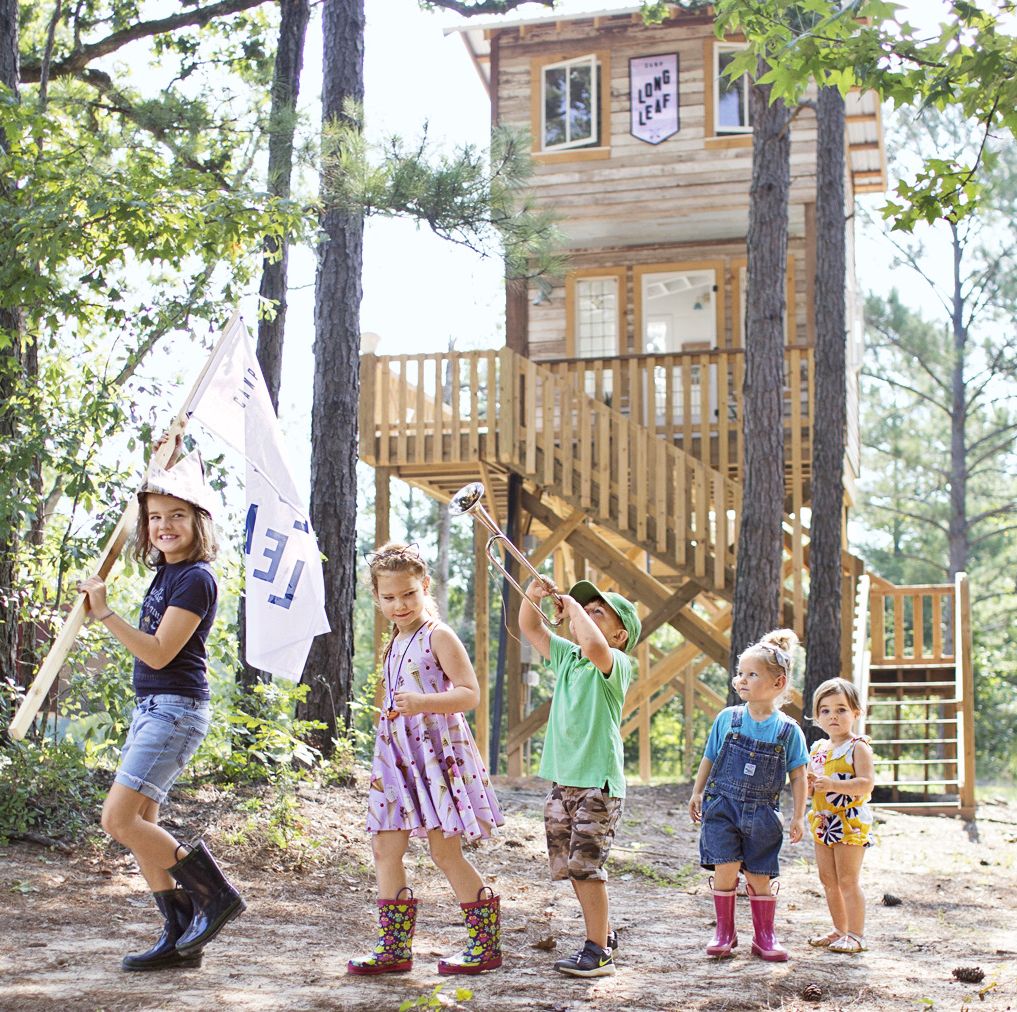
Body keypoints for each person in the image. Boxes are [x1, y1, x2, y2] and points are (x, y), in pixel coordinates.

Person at [77, 439, 244, 972]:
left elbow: (158, 650)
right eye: (155, 517)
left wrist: (104, 613)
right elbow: (150, 494)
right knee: (143, 825)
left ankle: (214, 896)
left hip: (175, 710)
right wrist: (161, 458)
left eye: (178, 515)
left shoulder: (196, 579)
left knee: (119, 819)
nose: (164, 525)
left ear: (200, 524)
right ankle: (178, 940)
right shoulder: (167, 571)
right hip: (153, 707)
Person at [347, 542, 504, 977]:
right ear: (377, 597)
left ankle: (484, 944)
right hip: (397, 757)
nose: (399, 604)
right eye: (390, 597)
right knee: (384, 845)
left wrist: (420, 702)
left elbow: (469, 693)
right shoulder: (394, 640)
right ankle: (394, 949)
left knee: (444, 851)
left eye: (409, 594)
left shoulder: (438, 634)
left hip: (434, 753)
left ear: (425, 587)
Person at [519, 577, 641, 979]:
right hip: (564, 783)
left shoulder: (616, 663)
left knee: (587, 867)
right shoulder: (569, 657)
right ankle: (602, 932)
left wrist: (572, 608)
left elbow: (594, 645)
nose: (586, 616)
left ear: (619, 635)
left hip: (597, 785)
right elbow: (532, 628)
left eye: (597, 613)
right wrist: (532, 597)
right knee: (573, 867)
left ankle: (598, 950)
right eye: (585, 610)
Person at [689, 628, 809, 962]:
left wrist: (799, 815)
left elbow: (799, 775)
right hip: (722, 807)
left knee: (759, 875)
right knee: (724, 868)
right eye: (740, 673)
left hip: (762, 815)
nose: (741, 680)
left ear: (778, 683)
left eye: (752, 674)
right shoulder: (728, 719)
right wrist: (698, 792)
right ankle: (724, 932)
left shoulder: (788, 730)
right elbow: (709, 757)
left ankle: (765, 936)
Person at [806, 677, 875, 955]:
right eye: (825, 710)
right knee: (828, 879)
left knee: (847, 879)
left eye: (841, 709)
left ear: (856, 713)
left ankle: (856, 935)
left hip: (849, 821)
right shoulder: (818, 749)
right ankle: (839, 929)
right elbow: (814, 788)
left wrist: (834, 785)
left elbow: (866, 783)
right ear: (817, 716)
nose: (833, 715)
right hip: (823, 820)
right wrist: (810, 787)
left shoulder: (858, 746)